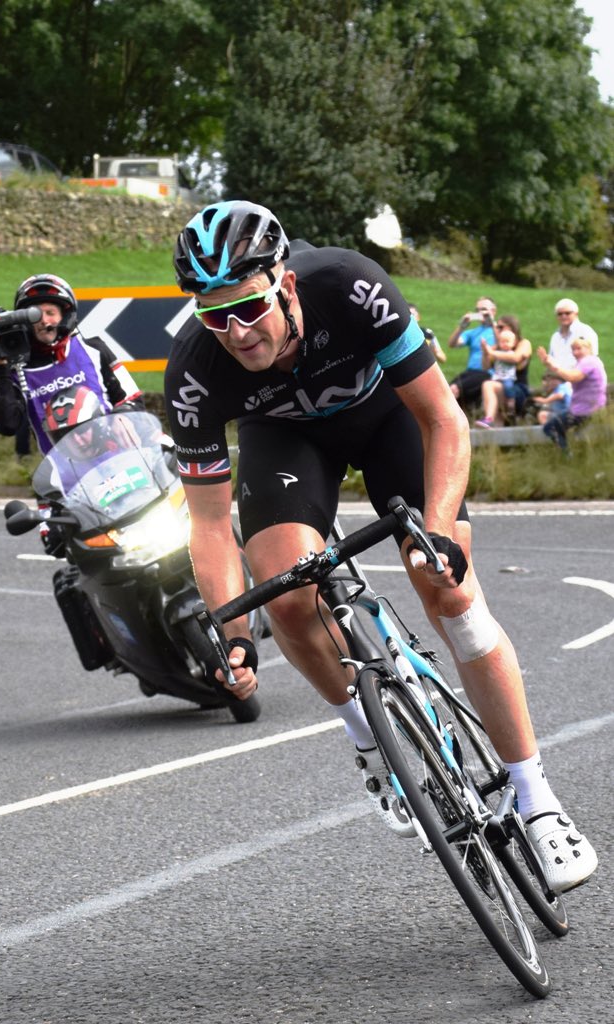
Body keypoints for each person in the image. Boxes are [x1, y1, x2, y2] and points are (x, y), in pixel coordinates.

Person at [164, 200, 597, 894]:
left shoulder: (348, 283)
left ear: (287, 285)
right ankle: (366, 738)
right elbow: (211, 526)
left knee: (450, 590)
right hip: (288, 446)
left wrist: (438, 525)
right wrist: (234, 634)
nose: (238, 333)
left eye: (250, 307)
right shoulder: (192, 371)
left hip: (389, 418)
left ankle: (538, 802)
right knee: (287, 598)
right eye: (216, 317)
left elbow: (444, 418)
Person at [0, 274, 143, 456]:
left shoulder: (94, 349)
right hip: (68, 477)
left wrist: (122, 415)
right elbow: (7, 425)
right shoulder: (17, 370)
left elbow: (133, 398)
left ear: (64, 316)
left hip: (122, 460)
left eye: (51, 313)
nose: (44, 321)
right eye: (35, 315)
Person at [538, 337, 607, 451]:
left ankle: (567, 457)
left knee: (550, 428)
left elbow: (572, 377)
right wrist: (550, 364)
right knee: (560, 425)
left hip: (585, 411)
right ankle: (574, 454)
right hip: (588, 409)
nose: (575, 352)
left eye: (579, 349)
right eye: (573, 350)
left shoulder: (588, 362)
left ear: (589, 348)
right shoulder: (589, 362)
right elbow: (568, 374)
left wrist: (554, 366)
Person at [474, 315, 532, 428]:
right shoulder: (495, 348)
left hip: (518, 390)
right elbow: (485, 367)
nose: (496, 329)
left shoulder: (524, 343)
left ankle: (489, 419)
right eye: (496, 327)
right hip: (501, 387)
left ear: (511, 328)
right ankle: (494, 435)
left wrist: (491, 352)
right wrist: (485, 353)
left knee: (488, 385)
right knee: (489, 386)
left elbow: (516, 358)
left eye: (500, 327)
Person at [447, 297, 497, 406]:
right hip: (471, 372)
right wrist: (461, 327)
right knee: (447, 392)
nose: (480, 312)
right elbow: (452, 344)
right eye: (477, 310)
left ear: (493, 311)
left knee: (454, 390)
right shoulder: (473, 332)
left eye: (484, 309)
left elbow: (503, 343)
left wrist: (493, 323)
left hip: (488, 373)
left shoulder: (499, 330)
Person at [545, 298, 598, 372]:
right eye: (560, 314)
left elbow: (592, 356)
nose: (563, 316)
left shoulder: (585, 331)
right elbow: (552, 358)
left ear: (576, 314)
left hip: (579, 377)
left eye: (567, 313)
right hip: (558, 377)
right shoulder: (555, 336)